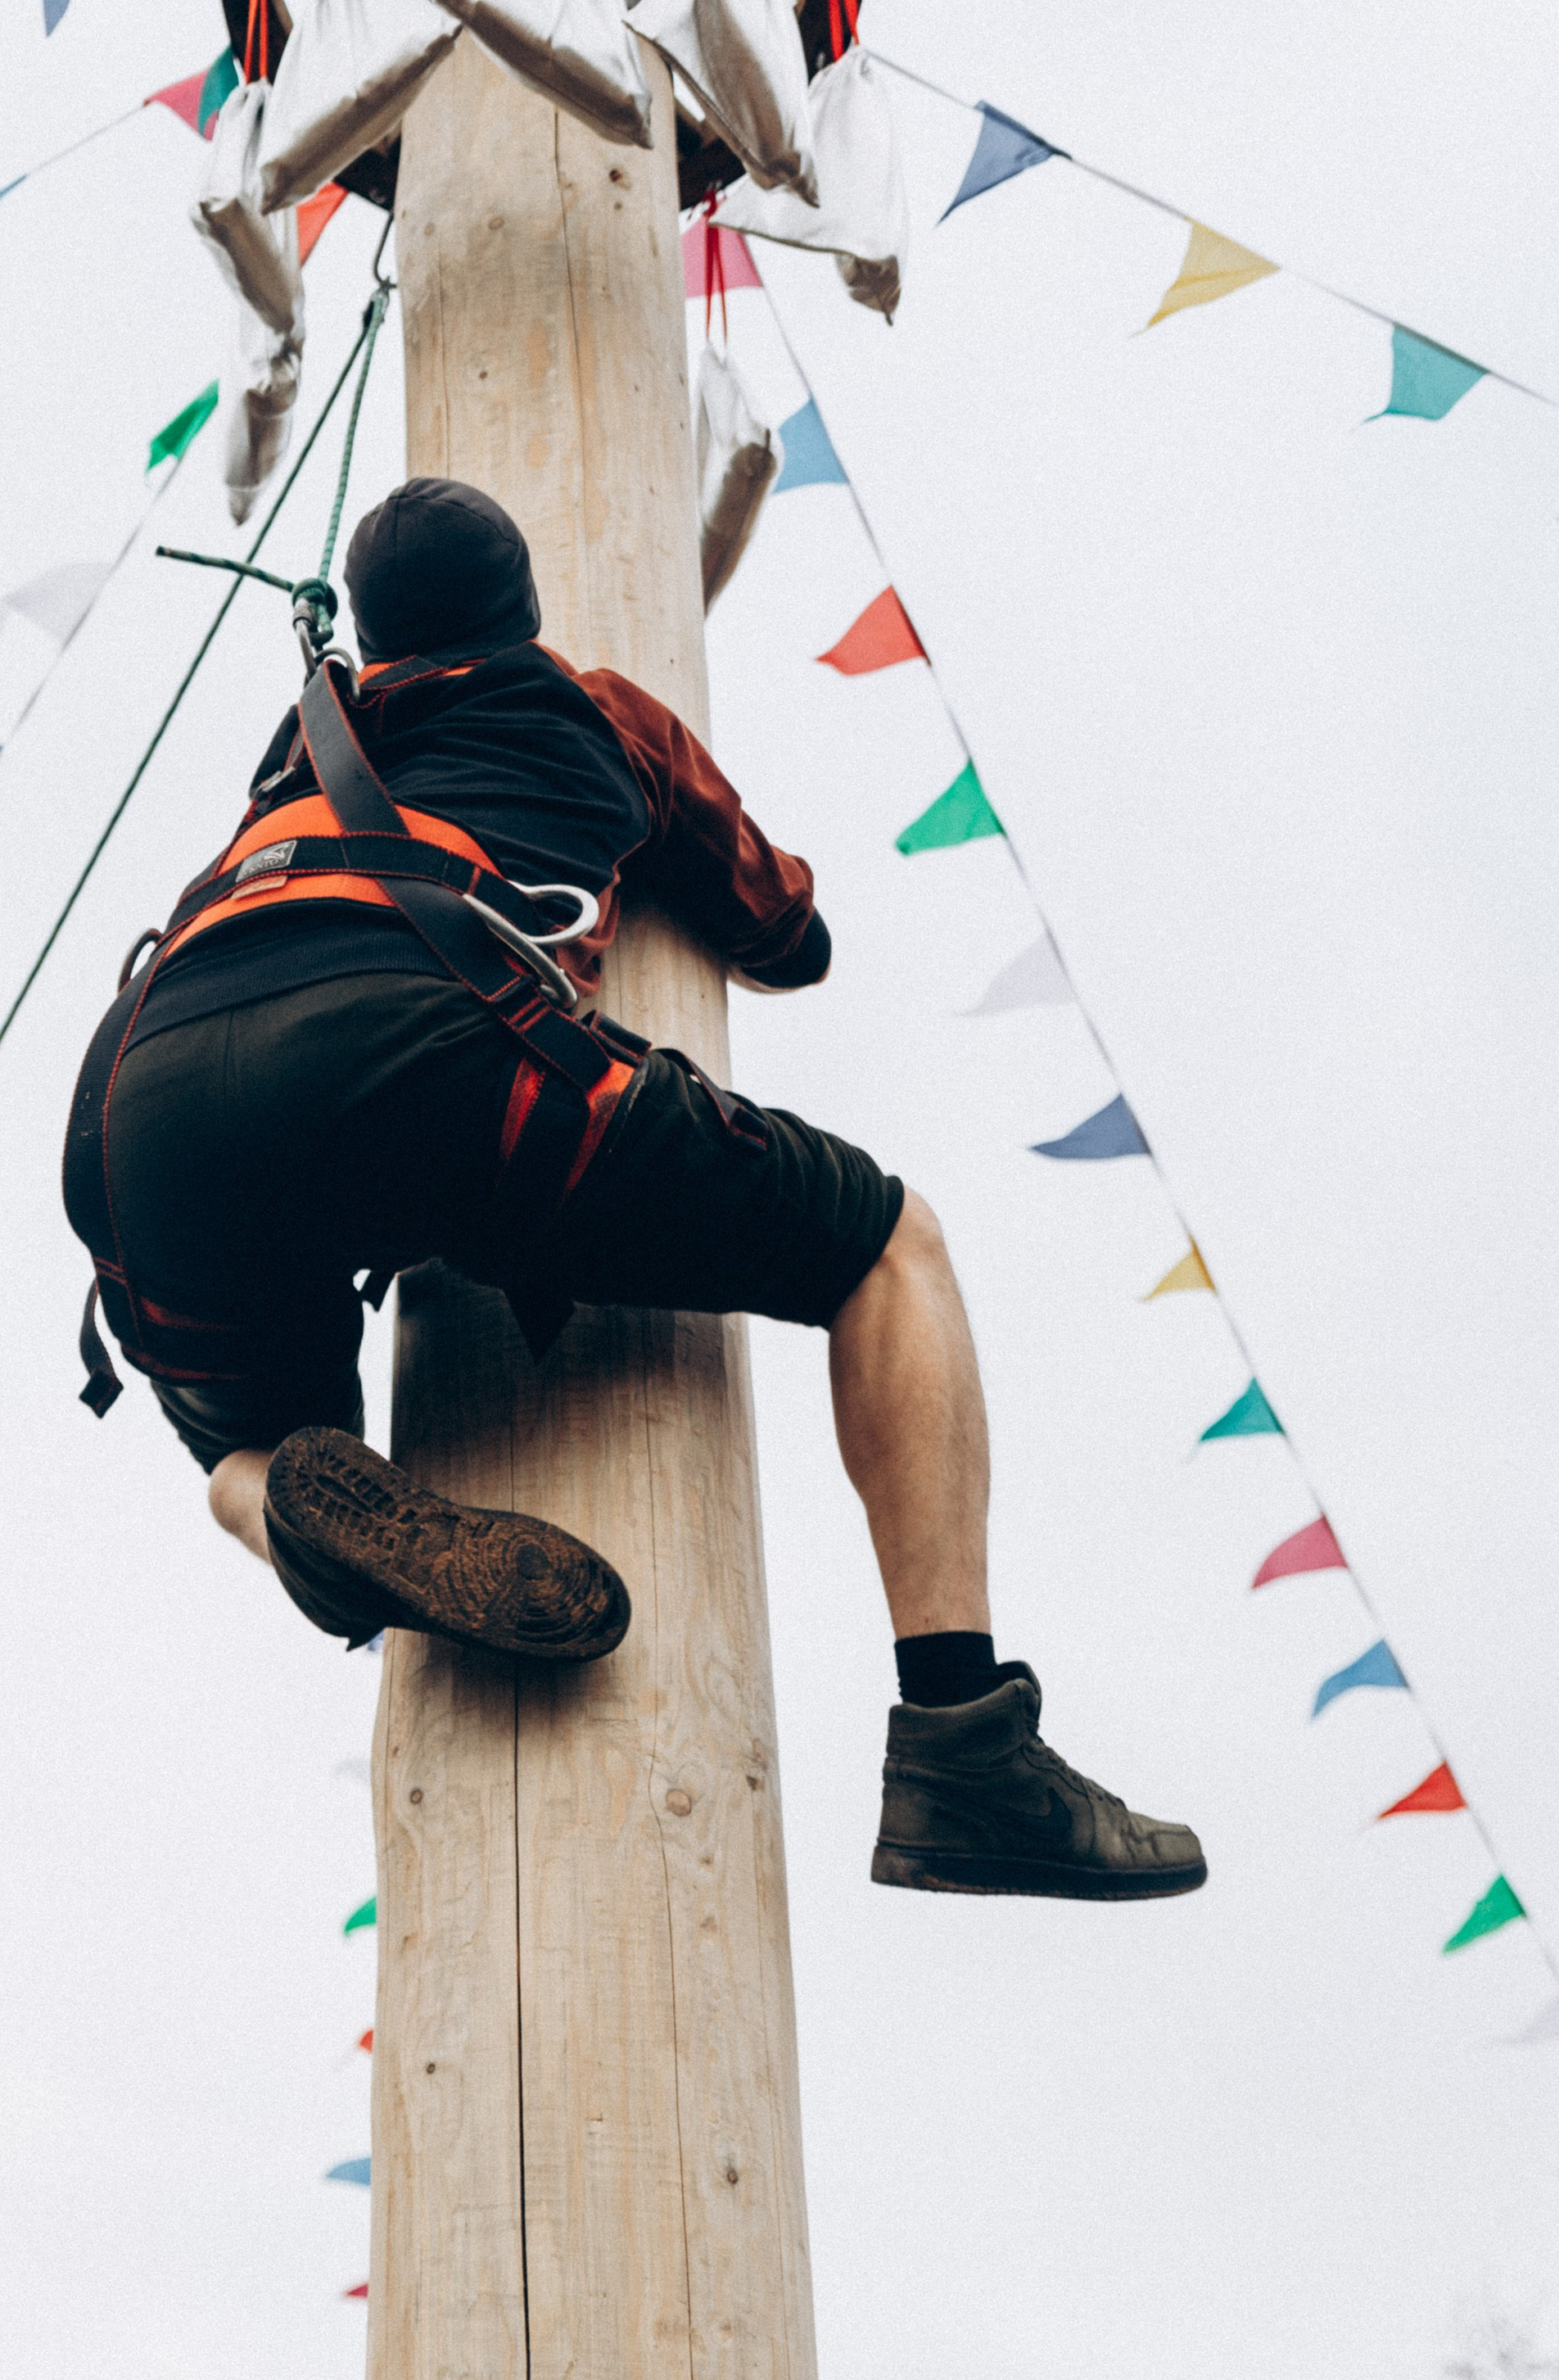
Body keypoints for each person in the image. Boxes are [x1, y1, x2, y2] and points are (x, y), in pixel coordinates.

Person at [65, 477, 1204, 1904]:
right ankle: (965, 1746)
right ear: (525, 608)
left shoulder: (300, 744)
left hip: (137, 1100)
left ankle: (290, 1514)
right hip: (421, 1050)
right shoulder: (600, 708)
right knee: (886, 1244)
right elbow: (786, 933)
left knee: (245, 1442)